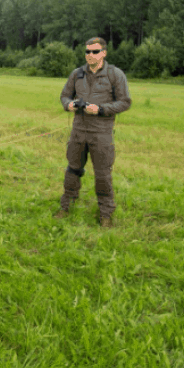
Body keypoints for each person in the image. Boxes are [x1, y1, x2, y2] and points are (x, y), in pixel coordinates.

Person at [55, 37, 132, 227]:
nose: (90, 55)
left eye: (95, 51)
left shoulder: (115, 75)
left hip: (101, 133)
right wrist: (69, 104)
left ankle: (106, 214)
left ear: (104, 53)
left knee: (103, 175)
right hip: (78, 131)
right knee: (72, 170)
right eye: (87, 51)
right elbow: (64, 96)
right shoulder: (77, 74)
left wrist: (100, 109)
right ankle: (66, 207)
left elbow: (125, 102)